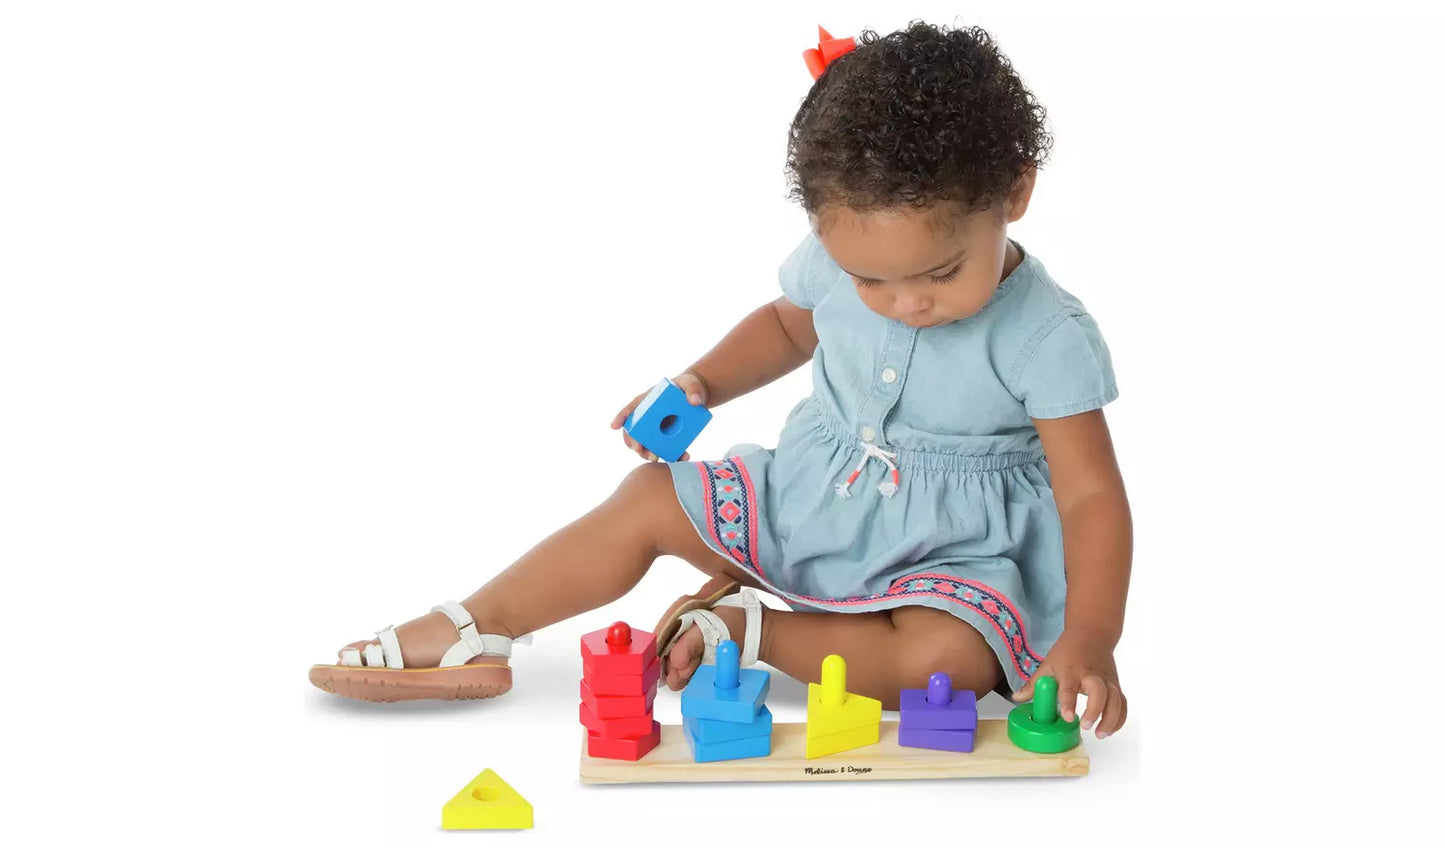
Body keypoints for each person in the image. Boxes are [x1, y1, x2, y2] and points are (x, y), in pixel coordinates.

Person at [310, 20, 1131, 737]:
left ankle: (751, 628)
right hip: (815, 502)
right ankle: (478, 626)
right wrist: (702, 381)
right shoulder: (844, 263)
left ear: (1015, 192)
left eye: (941, 273)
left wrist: (1089, 634)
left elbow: (1090, 496)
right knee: (644, 499)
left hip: (956, 555)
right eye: (870, 282)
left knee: (945, 661)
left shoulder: (1046, 336)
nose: (904, 303)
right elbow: (786, 325)